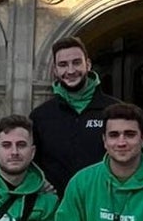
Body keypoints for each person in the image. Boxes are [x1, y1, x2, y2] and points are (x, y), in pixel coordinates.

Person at [30, 36, 120, 193]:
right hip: (56, 208)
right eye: (63, 65)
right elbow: (28, 160)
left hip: (103, 204)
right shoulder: (40, 116)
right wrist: (38, 182)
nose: (70, 71)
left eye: (76, 62)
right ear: (55, 71)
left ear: (88, 64)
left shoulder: (115, 111)